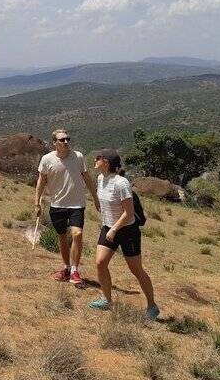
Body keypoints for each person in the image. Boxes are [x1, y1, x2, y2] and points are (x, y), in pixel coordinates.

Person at [89, 149, 160, 320]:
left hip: (127, 230)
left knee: (136, 269)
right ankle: (107, 300)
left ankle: (152, 306)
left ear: (106, 162)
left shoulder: (121, 183)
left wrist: (114, 229)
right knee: (100, 263)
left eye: (99, 158)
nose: (95, 159)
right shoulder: (100, 179)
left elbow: (128, 213)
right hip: (108, 227)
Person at [35, 129, 99, 287]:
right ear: (54, 143)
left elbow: (87, 177)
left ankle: (75, 271)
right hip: (57, 205)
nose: (65, 142)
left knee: (77, 234)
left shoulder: (78, 156)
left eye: (67, 139)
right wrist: (37, 202)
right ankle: (66, 268)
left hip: (77, 205)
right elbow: (41, 181)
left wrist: (95, 197)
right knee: (62, 237)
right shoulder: (47, 159)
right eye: (62, 140)